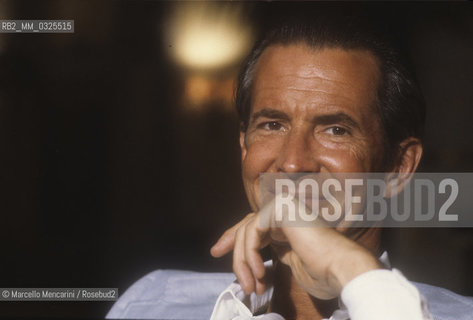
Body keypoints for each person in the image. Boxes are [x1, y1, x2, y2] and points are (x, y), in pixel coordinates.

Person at [106, 12, 473, 320]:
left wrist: (351, 270)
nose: (293, 161)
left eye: (335, 129)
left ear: (398, 167)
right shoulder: (150, 302)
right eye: (272, 125)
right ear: (243, 146)